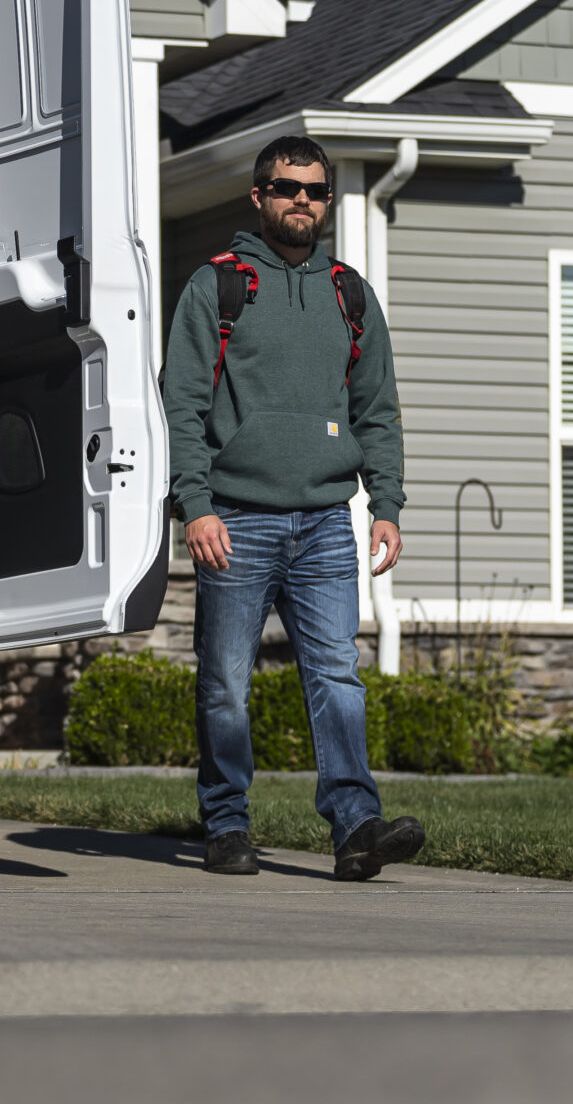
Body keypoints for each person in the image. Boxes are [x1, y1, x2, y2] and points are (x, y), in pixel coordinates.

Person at [162, 134, 425, 880]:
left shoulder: (350, 293)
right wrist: (195, 505)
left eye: (313, 190)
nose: (300, 201)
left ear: (327, 201)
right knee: (224, 683)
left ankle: (355, 828)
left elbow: (379, 410)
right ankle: (226, 824)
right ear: (259, 196)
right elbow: (181, 404)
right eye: (286, 188)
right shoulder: (218, 286)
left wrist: (386, 505)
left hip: (324, 526)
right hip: (235, 523)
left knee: (338, 677)